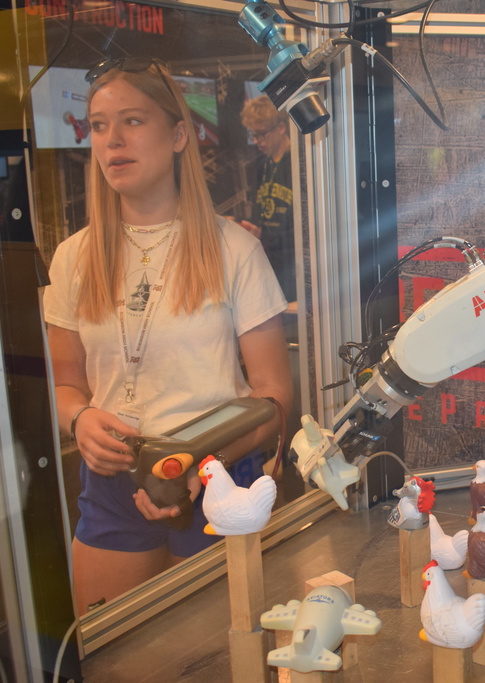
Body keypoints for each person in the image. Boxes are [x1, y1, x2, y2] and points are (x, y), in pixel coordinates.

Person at [43, 57, 292, 616]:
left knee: (217, 661)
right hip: (111, 483)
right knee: (113, 659)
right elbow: (64, 386)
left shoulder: (235, 251)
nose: (112, 141)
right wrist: (81, 420)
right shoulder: (74, 257)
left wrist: (197, 464)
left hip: (217, 478)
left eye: (132, 121)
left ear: (179, 134)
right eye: (99, 125)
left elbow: (274, 397)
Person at [237, 95, 297, 303]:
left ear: (281, 128)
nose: (257, 142)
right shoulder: (263, 165)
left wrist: (269, 238)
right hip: (267, 262)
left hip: (291, 266)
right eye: (253, 135)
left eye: (261, 135)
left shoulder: (297, 164)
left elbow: (302, 226)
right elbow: (259, 209)